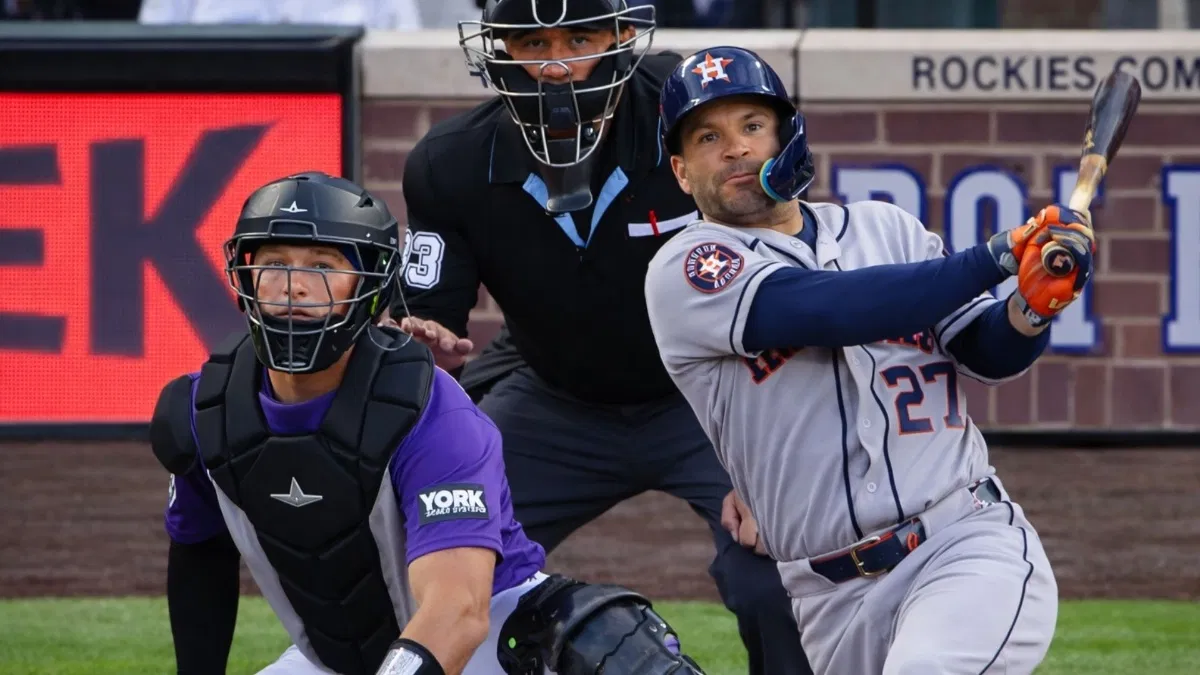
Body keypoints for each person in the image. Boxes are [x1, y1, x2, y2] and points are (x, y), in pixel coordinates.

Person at [644, 46, 1097, 674]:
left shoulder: (885, 228)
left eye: (752, 126)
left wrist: (1032, 310)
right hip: (826, 597)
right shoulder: (687, 271)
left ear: (787, 137)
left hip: (961, 545)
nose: (735, 149)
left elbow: (985, 353)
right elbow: (834, 310)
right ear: (682, 171)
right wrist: (995, 256)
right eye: (707, 137)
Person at [148, 171, 707, 675]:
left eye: (322, 267)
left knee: (618, 653)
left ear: (368, 286)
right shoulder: (206, 409)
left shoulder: (428, 411)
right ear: (244, 274)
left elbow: (458, 612)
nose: (294, 286)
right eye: (274, 265)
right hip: (338, 658)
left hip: (495, 643)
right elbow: (201, 554)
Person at [394, 2, 812, 673]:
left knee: (780, 570)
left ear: (622, 38)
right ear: (497, 49)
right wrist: (419, 339)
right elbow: (430, 324)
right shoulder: (452, 164)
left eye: (579, 38)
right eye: (532, 42)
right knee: (429, 554)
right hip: (553, 395)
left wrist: (775, 445)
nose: (557, 64)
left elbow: (793, 260)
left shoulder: (693, 109)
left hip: (711, 393)